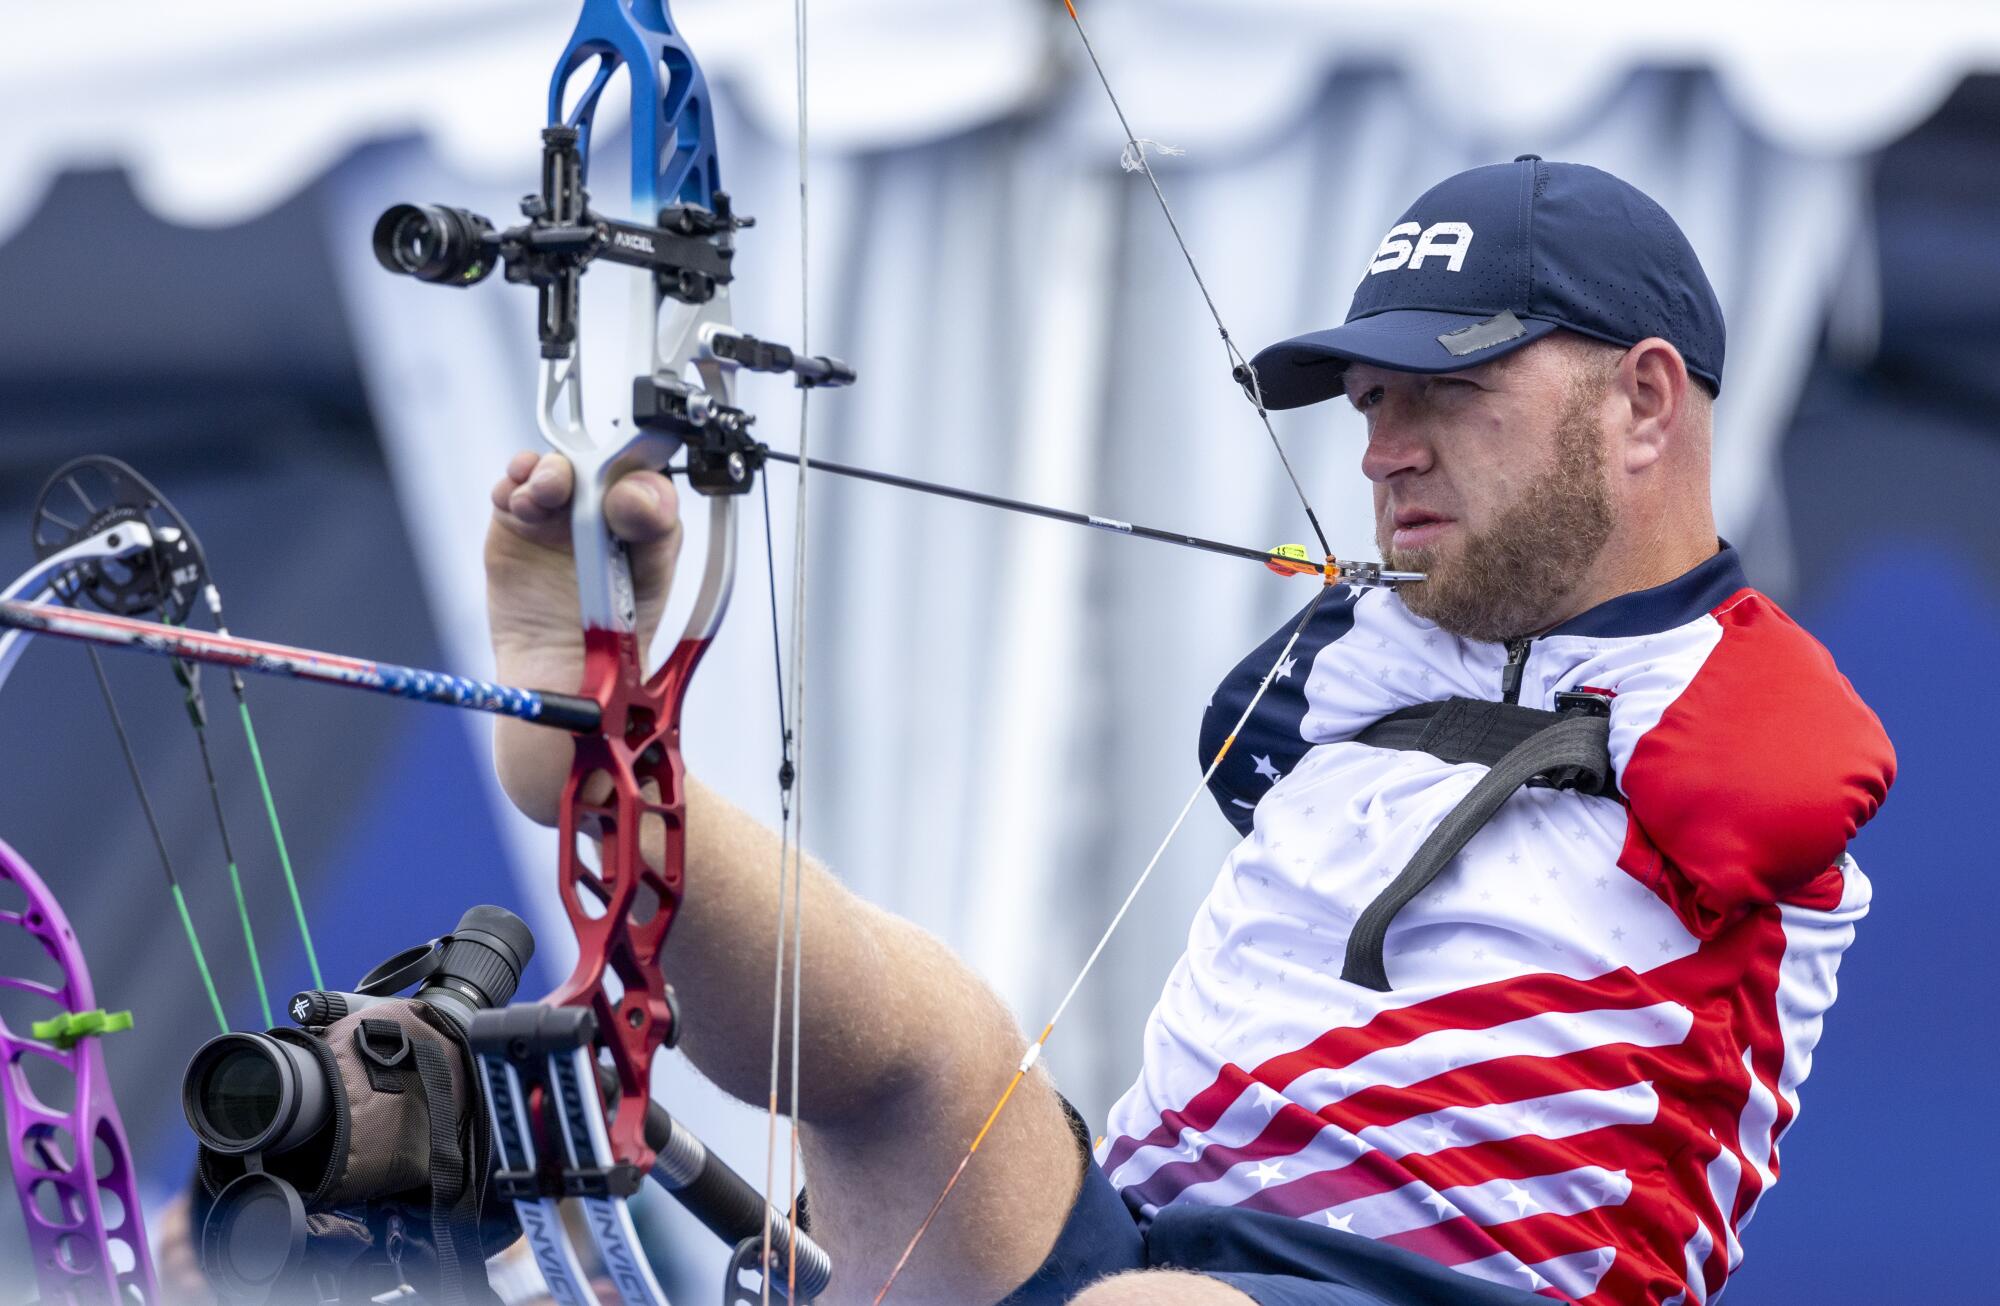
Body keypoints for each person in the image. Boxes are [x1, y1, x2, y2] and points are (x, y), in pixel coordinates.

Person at [482, 158, 1894, 1306]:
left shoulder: (1736, 707)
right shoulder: (1358, 657)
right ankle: (605, 757)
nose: (1382, 448)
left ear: (1645, 401)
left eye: (1451, 389)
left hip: (1460, 1291)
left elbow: (1767, 759)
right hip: (1148, 1242)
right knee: (925, 1046)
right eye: (1370, 402)